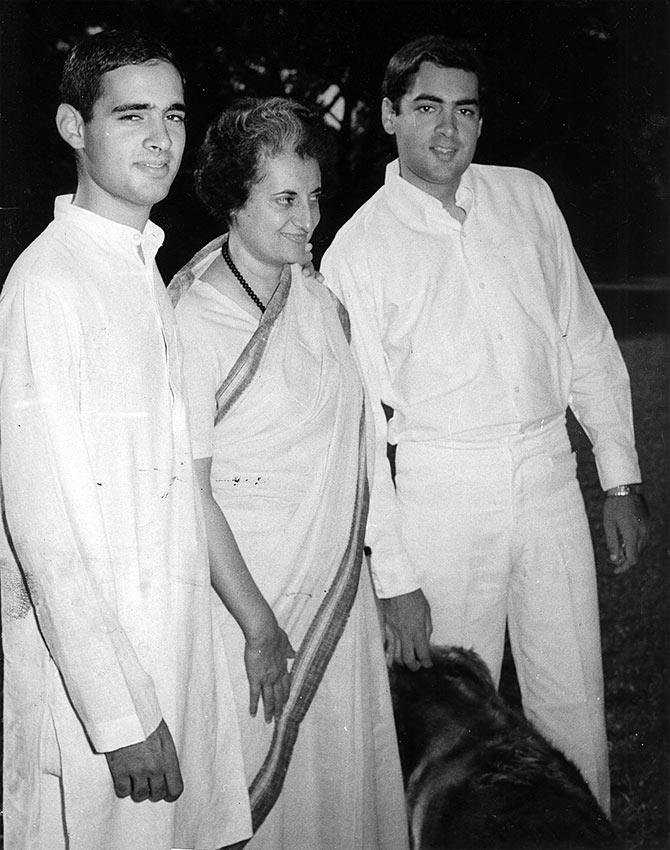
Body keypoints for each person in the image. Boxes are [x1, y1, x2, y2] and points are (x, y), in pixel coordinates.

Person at [320, 34, 649, 814]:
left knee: (572, 706)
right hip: (442, 488)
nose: (447, 130)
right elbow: (364, 433)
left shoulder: (526, 197)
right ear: (390, 114)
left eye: (464, 110)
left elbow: (586, 340)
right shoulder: (356, 252)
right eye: (427, 108)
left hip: (547, 479)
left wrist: (622, 477)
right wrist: (395, 578)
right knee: (452, 727)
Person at [0, 29, 252, 850]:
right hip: (101, 702)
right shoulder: (48, 284)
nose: (160, 140)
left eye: (174, 116)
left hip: (175, 658)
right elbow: (46, 535)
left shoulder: (143, 269)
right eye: (132, 116)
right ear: (75, 128)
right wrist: (119, 717)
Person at [168, 97, 409, 850]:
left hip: (333, 589)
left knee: (336, 785)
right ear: (233, 201)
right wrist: (260, 624)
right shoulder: (190, 318)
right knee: (252, 798)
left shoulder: (319, 301)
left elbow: (360, 445)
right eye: (283, 200)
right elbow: (187, 490)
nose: (307, 220)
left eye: (313, 198)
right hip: (241, 604)